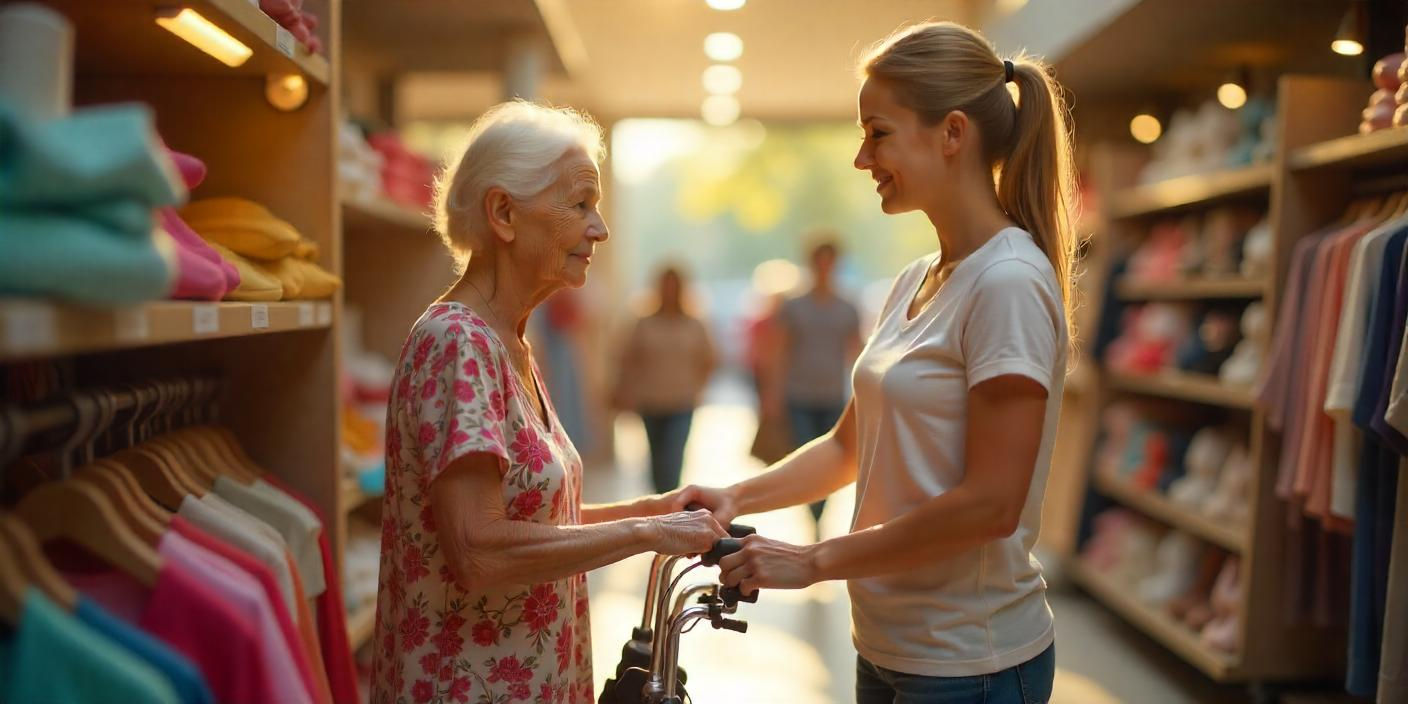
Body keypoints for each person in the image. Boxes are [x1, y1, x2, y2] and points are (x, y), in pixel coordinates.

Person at [680, 22, 1076, 704]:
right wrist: (737, 498)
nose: (863, 159)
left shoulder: (1008, 281)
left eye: (878, 132)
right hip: (891, 643)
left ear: (953, 133)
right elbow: (846, 448)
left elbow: (991, 505)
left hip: (966, 663)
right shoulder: (918, 278)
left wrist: (811, 563)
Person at [369, 101, 725, 704]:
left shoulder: (509, 342)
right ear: (504, 213)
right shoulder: (456, 342)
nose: (600, 228)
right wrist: (649, 531)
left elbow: (535, 528)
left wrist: (654, 508)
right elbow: (479, 549)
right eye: (580, 203)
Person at [769, 237, 862, 533]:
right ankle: (814, 517)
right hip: (799, 394)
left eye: (829, 260)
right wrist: (772, 394)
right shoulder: (794, 306)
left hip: (833, 395)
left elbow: (858, 352)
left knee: (833, 462)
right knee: (805, 455)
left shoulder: (847, 307)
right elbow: (779, 350)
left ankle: (819, 515)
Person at [614, 266, 717, 493]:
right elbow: (628, 358)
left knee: (673, 456)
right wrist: (627, 389)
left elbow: (709, 359)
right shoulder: (644, 323)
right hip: (651, 400)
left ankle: (671, 502)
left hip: (681, 400)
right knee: (656, 458)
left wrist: (697, 386)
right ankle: (659, 503)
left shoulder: (694, 324)